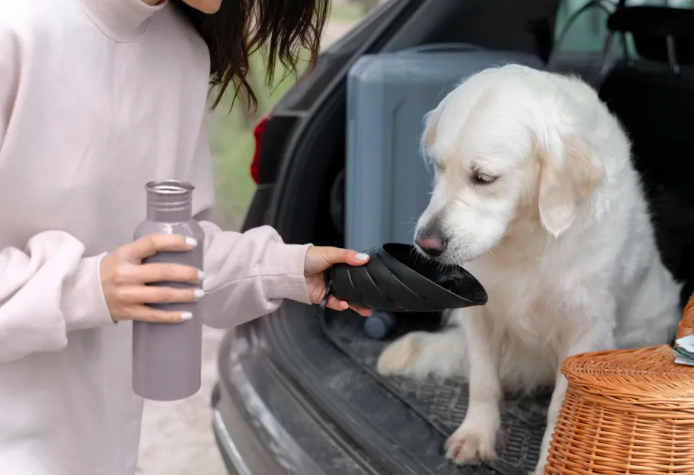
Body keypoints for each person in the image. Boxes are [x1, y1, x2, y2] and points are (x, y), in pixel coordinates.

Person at [0, 0, 370, 474]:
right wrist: (88, 287)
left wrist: (289, 268)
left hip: (98, 450)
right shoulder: (17, 28)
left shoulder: (182, 55)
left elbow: (175, 254)